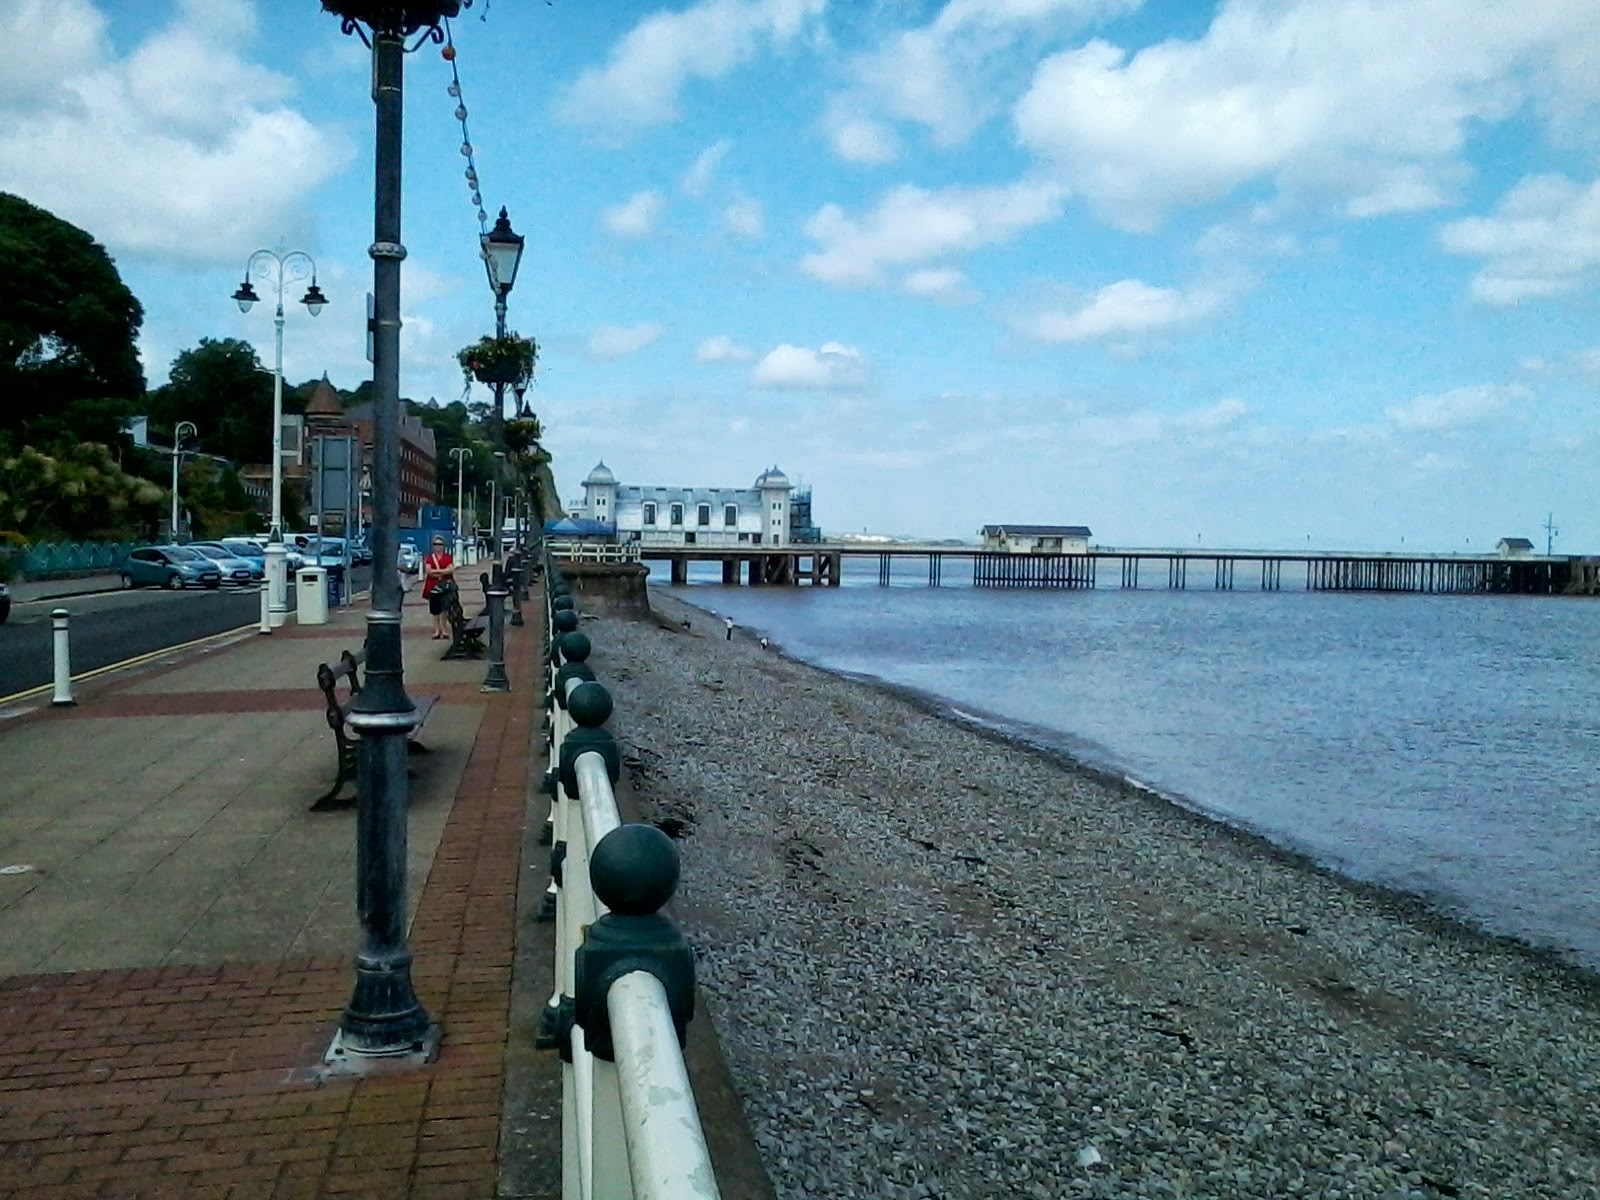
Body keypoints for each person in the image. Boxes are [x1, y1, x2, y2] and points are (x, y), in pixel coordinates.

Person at [423, 536, 456, 639]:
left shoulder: (448, 557)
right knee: (435, 609)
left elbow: (451, 570)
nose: (438, 547)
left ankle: (444, 629)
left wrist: (437, 572)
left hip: (445, 587)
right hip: (433, 587)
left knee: (445, 608)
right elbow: (429, 571)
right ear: (433, 546)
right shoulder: (429, 558)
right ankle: (437, 630)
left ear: (443, 546)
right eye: (436, 544)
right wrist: (443, 571)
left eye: (440, 544)